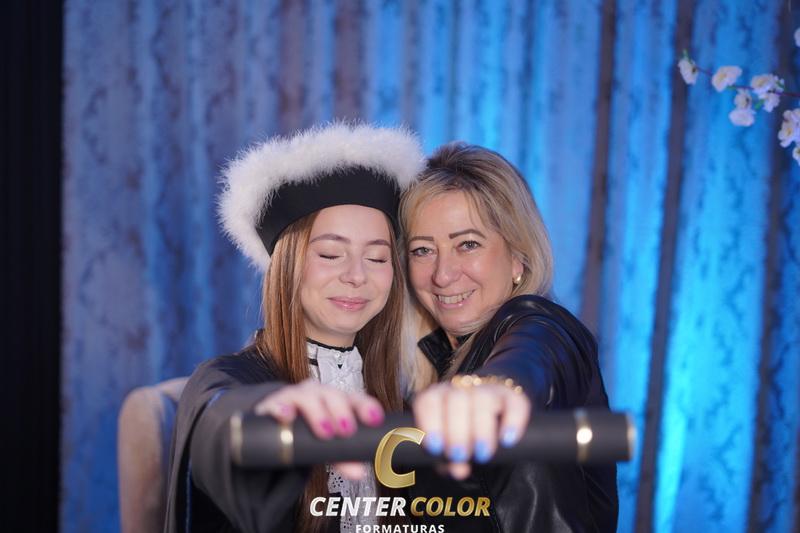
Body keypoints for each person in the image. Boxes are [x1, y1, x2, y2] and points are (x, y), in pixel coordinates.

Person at [164, 123, 425, 533]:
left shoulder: (399, 404)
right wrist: (271, 417)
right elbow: (221, 423)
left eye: (377, 258)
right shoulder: (225, 381)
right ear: (287, 265)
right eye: (331, 254)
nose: (357, 276)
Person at [400, 141, 618, 532]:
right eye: (422, 250)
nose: (442, 274)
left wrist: (495, 390)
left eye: (468, 244)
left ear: (518, 257)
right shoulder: (435, 360)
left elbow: (534, 356)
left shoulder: (539, 324)